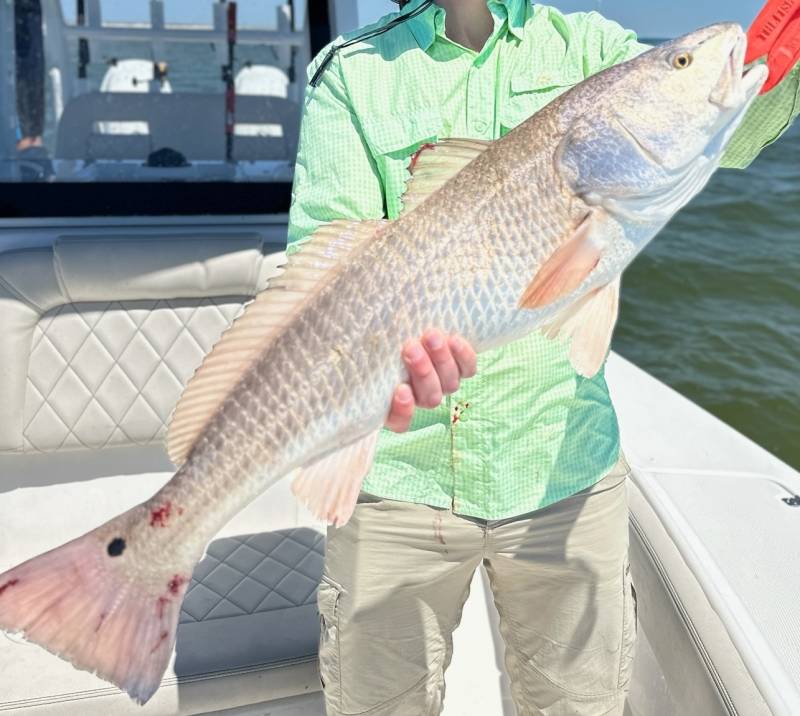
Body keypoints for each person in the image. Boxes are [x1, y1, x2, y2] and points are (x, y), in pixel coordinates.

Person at [288, 1, 800, 714]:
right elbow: (325, 272)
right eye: (678, 61)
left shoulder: (588, 47)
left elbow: (722, 133)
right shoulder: (353, 73)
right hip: (400, 477)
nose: (690, 64)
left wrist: (780, 57)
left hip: (563, 470)